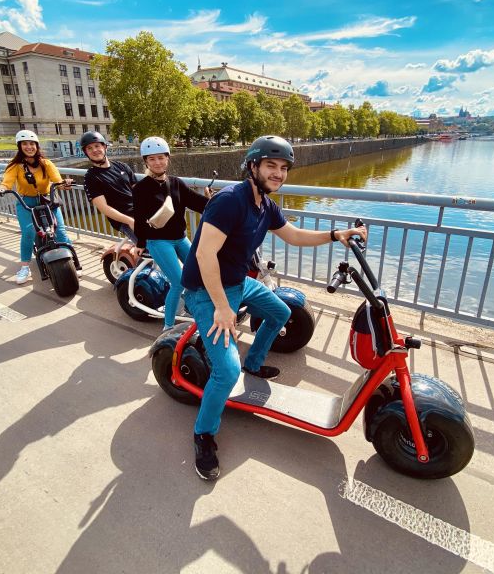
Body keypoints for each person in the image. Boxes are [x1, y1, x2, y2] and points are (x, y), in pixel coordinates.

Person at [181, 135, 367, 480]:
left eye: (283, 168)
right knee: (225, 371)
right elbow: (205, 255)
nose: (278, 173)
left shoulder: (265, 205)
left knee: (280, 312)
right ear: (253, 166)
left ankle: (253, 363)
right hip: (206, 291)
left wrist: (335, 235)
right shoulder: (229, 201)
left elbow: (293, 235)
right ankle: (203, 433)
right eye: (271, 165)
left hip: (238, 282)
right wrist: (222, 309)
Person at [132, 136, 211, 330]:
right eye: (152, 159)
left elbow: (197, 203)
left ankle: (194, 307)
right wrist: (140, 244)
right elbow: (139, 219)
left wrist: (213, 201)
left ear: (168, 158)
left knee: (199, 272)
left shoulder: (176, 183)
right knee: (178, 282)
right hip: (159, 241)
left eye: (161, 157)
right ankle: (167, 327)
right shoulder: (140, 189)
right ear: (146, 162)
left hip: (180, 238)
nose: (157, 162)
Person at [0, 129, 73, 284]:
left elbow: (57, 180)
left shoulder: (46, 164)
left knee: (59, 230)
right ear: (20, 146)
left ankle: (71, 262)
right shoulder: (16, 166)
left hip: (47, 200)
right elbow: (7, 183)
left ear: (37, 146)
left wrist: (64, 184)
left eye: (32, 143)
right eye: (25, 144)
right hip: (26, 202)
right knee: (28, 232)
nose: (29, 147)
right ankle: (24, 267)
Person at [81, 131, 138, 245]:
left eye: (97, 146)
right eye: (90, 148)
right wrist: (130, 221)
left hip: (139, 213)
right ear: (86, 152)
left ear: (105, 147)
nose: (94, 150)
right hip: (124, 220)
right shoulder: (91, 177)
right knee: (152, 248)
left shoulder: (122, 166)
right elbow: (104, 208)